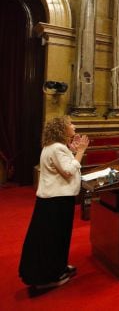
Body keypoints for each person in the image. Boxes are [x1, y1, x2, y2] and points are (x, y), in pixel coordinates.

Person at [19, 116, 89, 293]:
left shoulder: (55, 146)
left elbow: (63, 166)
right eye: (70, 124)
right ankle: (48, 277)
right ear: (62, 129)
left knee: (57, 237)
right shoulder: (57, 148)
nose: (73, 126)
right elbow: (67, 171)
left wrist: (71, 151)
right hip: (56, 201)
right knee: (53, 239)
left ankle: (58, 268)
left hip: (53, 200)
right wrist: (80, 152)